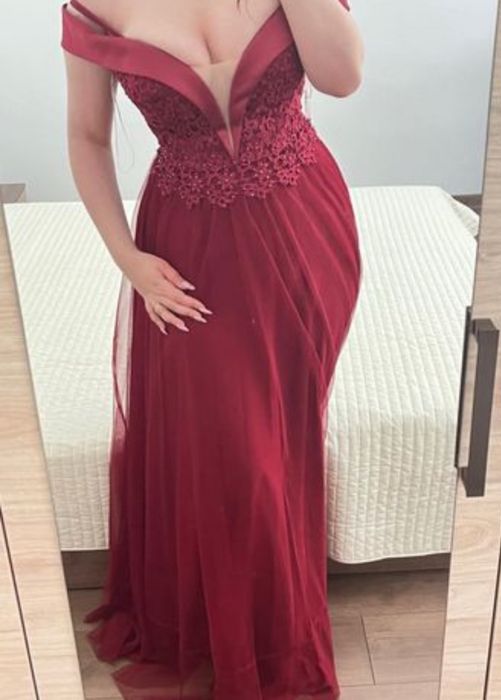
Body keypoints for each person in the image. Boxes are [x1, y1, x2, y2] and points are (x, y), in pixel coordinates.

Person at [61, 0, 364, 697]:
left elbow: (342, 78)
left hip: (305, 230)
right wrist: (128, 260)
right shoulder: (92, 8)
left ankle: (275, 627)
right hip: (189, 250)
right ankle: (248, 642)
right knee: (241, 456)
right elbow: (86, 137)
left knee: (278, 442)